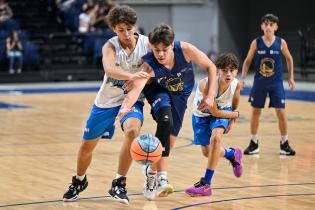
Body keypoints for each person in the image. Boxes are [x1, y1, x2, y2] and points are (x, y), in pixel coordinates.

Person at [115, 23, 223, 200]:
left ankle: (151, 173)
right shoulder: (149, 64)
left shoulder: (186, 49)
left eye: (165, 49)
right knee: (165, 121)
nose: (161, 54)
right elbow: (136, 89)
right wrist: (125, 107)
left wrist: (210, 96)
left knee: (168, 143)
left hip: (181, 95)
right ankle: (162, 179)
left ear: (172, 45)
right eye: (156, 50)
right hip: (159, 91)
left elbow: (211, 67)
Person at [62, 5, 150, 205]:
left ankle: (119, 182)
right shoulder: (109, 46)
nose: (126, 34)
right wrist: (132, 75)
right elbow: (109, 70)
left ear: (134, 26)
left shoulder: (146, 44)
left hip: (131, 100)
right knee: (86, 146)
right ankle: (79, 181)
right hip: (106, 102)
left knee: (132, 131)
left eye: (129, 28)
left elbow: (158, 65)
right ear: (113, 29)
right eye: (121, 30)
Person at [185, 53, 242, 196]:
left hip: (222, 110)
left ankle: (206, 184)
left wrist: (232, 118)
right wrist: (235, 115)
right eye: (225, 70)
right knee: (207, 153)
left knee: (216, 139)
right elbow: (216, 112)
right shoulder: (206, 85)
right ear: (217, 71)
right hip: (202, 116)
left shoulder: (236, 85)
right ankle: (231, 153)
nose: (229, 74)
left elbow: (234, 104)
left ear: (236, 71)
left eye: (232, 70)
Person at [241, 13, 296, 156]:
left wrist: (291, 77)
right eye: (265, 24)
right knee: (255, 112)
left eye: (271, 24)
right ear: (261, 26)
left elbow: (289, 59)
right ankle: (254, 143)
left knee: (281, 112)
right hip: (259, 83)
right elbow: (247, 61)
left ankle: (284, 143)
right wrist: (243, 78)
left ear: (276, 27)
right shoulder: (256, 42)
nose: (268, 27)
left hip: (276, 84)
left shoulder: (281, 42)